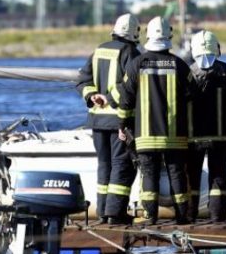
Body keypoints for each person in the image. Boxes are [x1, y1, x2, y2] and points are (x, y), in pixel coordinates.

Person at [118, 17, 193, 225]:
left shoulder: (136, 64)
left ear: (148, 36)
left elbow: (125, 98)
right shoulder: (179, 64)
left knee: (148, 175)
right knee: (177, 174)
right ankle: (182, 217)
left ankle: (151, 217)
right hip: (174, 136)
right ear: (169, 37)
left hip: (145, 136)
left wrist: (122, 125)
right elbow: (192, 94)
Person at [75, 13, 141, 224]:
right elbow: (130, 86)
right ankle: (115, 213)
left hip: (97, 121)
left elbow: (83, 79)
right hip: (118, 121)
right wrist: (110, 98)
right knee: (122, 165)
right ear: (134, 33)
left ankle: (103, 212)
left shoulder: (99, 50)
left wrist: (91, 95)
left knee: (104, 165)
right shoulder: (130, 52)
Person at [186, 30, 226, 222]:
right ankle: (217, 215)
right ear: (216, 48)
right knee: (218, 176)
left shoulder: (188, 75)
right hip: (221, 136)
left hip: (193, 137)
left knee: (192, 178)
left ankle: (189, 214)